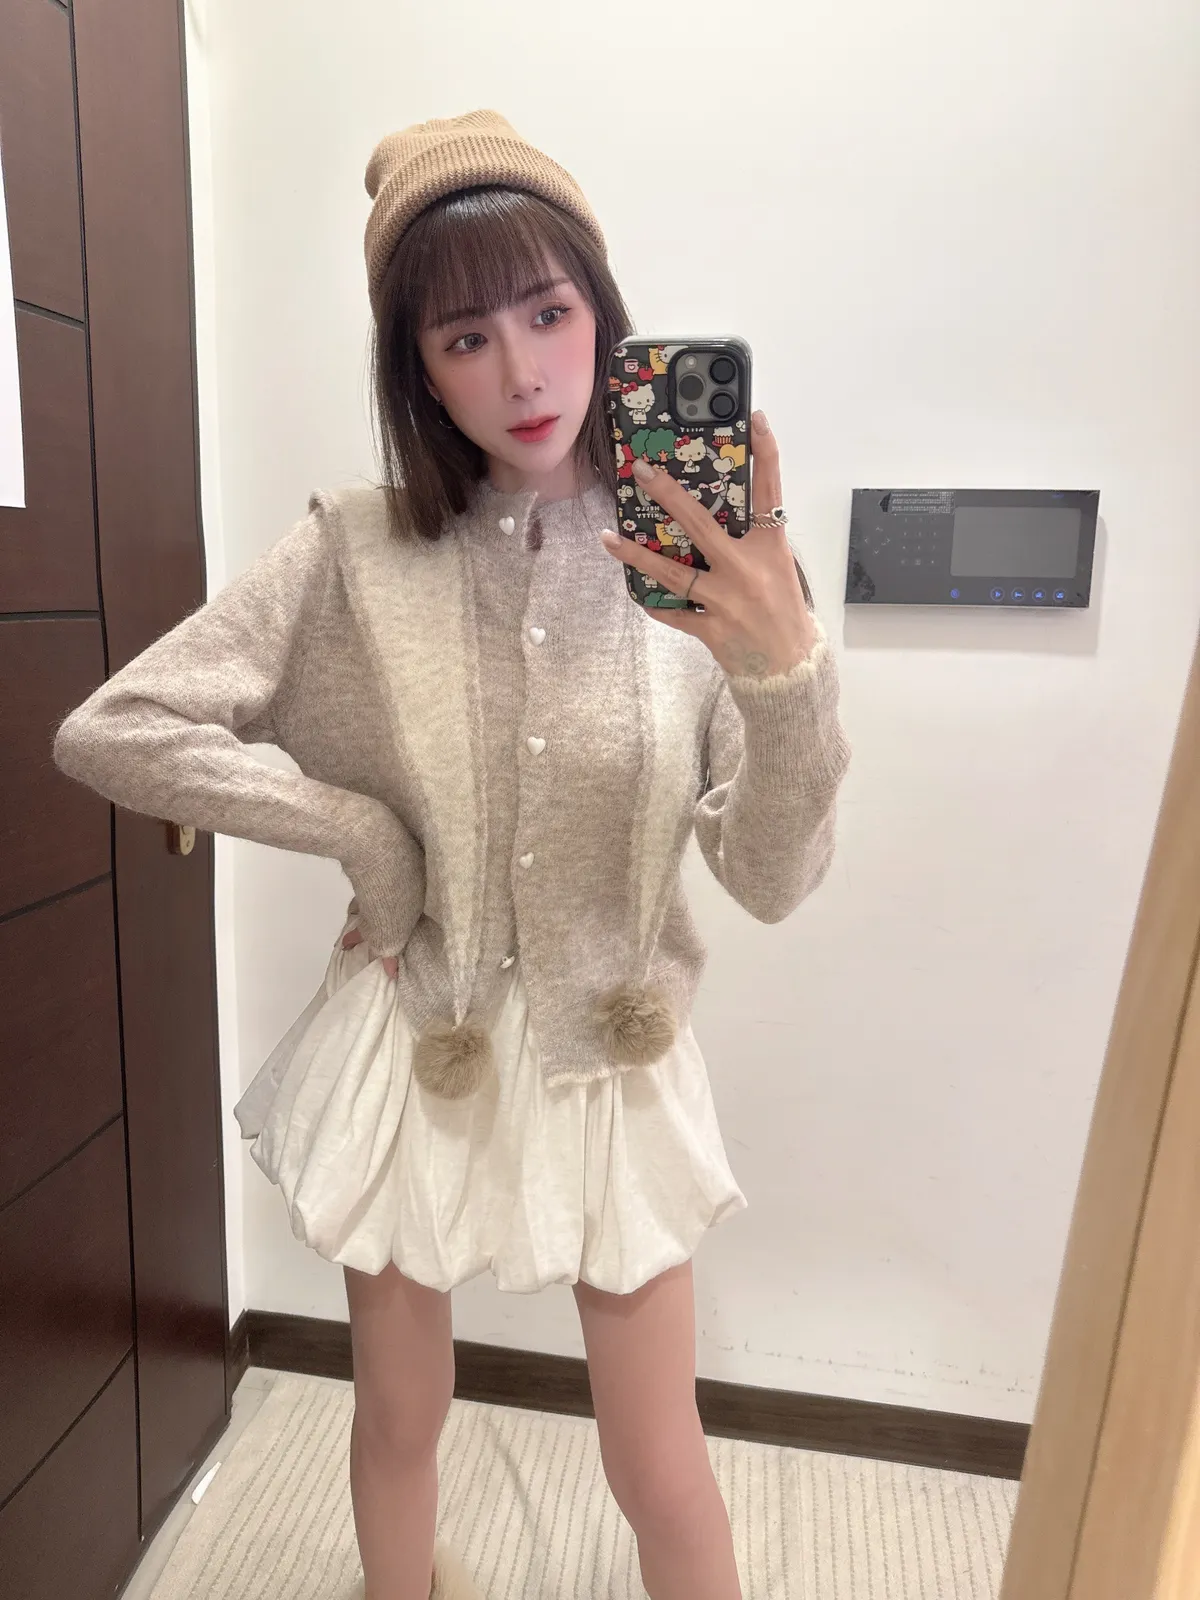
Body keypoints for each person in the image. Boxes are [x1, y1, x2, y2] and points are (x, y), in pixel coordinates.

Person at [52, 109, 851, 1600]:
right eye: (465, 339)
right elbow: (119, 727)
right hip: (418, 1028)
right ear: (415, 367)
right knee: (398, 1419)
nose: (522, 375)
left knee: (658, 1461)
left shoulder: (713, 564)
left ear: (603, 314)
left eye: (548, 314)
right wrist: (360, 831)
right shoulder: (358, 552)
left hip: (615, 1054)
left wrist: (785, 670)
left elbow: (771, 878)